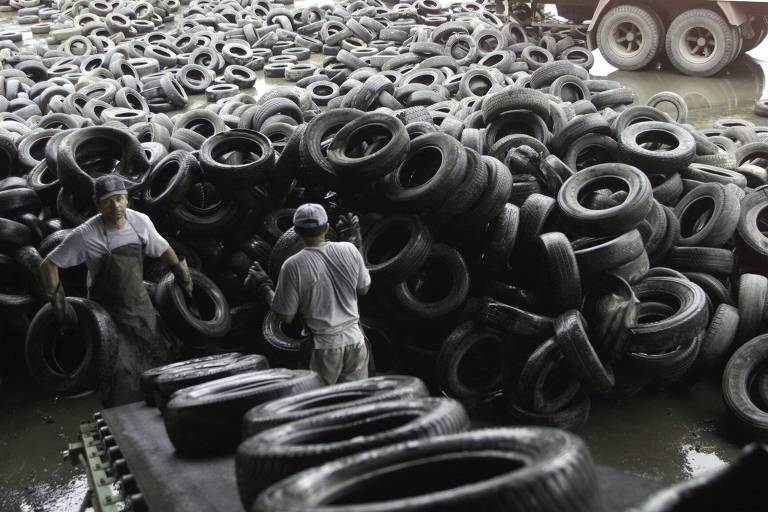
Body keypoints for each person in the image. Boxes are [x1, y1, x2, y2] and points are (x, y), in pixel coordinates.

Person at [39, 175, 193, 406]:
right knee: (119, 372)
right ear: (97, 203)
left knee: (157, 355)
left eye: (120, 199)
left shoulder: (140, 222)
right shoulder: (86, 234)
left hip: (139, 306)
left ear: (127, 199)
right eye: (108, 201)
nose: (116, 206)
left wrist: (185, 279)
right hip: (106, 315)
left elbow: (165, 250)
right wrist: (60, 308)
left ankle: (159, 408)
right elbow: (48, 265)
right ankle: (125, 421)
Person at [245, 203, 371, 385]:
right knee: (356, 401)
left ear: (296, 230)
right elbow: (363, 289)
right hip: (356, 340)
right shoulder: (349, 249)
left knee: (319, 405)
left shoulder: (292, 265)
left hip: (323, 348)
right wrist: (355, 243)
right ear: (327, 227)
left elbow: (286, 316)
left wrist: (264, 287)